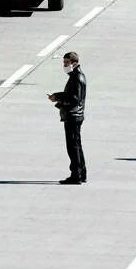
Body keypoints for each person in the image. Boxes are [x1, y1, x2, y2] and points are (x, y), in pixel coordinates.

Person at [49, 51, 89, 184]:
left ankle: (76, 175)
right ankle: (81, 173)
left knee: (72, 147)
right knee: (77, 145)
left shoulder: (76, 77)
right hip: (76, 114)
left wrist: (57, 97)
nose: (64, 65)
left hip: (73, 115)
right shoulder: (78, 75)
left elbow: (74, 98)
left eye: (67, 62)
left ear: (74, 63)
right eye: (64, 62)